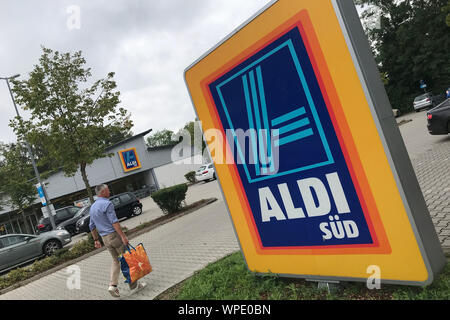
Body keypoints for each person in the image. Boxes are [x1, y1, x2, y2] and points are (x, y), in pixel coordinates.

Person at [89, 184, 146, 298]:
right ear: (104, 192)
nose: (109, 191)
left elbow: (91, 226)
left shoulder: (93, 207)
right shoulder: (107, 204)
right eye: (108, 190)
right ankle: (134, 285)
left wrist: (96, 240)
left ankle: (112, 285)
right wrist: (123, 236)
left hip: (105, 239)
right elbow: (114, 222)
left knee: (116, 261)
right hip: (114, 236)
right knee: (127, 260)